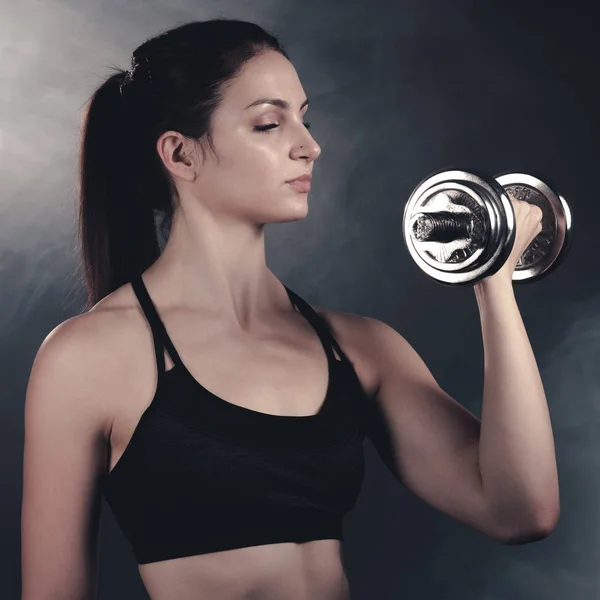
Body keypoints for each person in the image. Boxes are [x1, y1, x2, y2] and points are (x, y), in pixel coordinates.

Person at [21, 18, 559, 600]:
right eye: (269, 123)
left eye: (306, 118)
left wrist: (492, 281)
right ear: (180, 154)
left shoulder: (360, 349)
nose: (309, 144)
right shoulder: (88, 357)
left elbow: (521, 512)